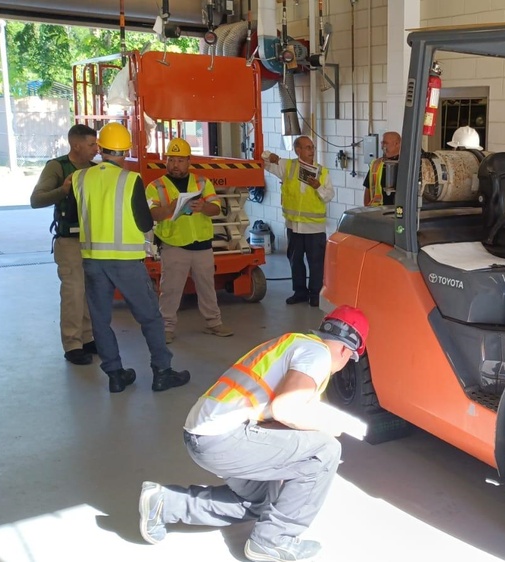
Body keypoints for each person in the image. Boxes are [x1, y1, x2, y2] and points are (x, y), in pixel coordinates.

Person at [137, 305, 369, 562]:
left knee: (259, 500)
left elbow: (273, 413)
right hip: (222, 436)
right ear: (347, 350)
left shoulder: (296, 344)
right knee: (325, 450)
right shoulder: (318, 355)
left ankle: (164, 503)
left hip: (205, 432)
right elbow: (286, 409)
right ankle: (273, 541)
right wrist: (331, 424)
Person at [72, 122, 190, 394]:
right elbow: (142, 221)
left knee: (100, 320)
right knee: (150, 317)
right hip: (125, 261)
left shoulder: (80, 178)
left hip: (92, 260)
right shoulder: (130, 179)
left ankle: (115, 375)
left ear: (100, 148)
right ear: (126, 150)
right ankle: (162, 372)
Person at [146, 138, 233, 344]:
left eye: (180, 160)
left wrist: (203, 207)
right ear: (165, 161)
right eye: (171, 159)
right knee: (170, 290)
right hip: (174, 245)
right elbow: (152, 214)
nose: (175, 164)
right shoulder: (155, 186)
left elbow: (216, 207)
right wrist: (171, 207)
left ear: (188, 161)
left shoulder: (202, 182)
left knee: (207, 287)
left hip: (202, 244)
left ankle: (214, 323)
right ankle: (166, 327)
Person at [30, 124, 99, 365]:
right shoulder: (57, 167)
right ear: (76, 145)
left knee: (89, 291)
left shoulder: (96, 169)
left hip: (92, 239)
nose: (96, 149)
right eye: (91, 145)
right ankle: (72, 344)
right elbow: (36, 200)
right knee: (73, 293)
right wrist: (63, 189)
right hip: (68, 241)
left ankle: (88, 338)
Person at [263, 136, 334, 307]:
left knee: (316, 262)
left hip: (313, 227)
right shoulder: (288, 166)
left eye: (312, 147)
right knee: (295, 260)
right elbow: (264, 161)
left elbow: (329, 196)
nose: (311, 151)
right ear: (297, 150)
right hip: (293, 225)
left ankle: (315, 294)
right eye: (308, 148)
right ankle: (299, 292)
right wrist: (271, 156)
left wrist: (318, 187)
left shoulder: (322, 172)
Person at [363, 131, 400, 206]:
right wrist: (366, 208)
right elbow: (368, 189)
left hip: (397, 211)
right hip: (377, 211)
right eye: (382, 143)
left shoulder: (404, 164)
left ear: (396, 144)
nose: (383, 146)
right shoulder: (376, 164)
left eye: (385, 143)